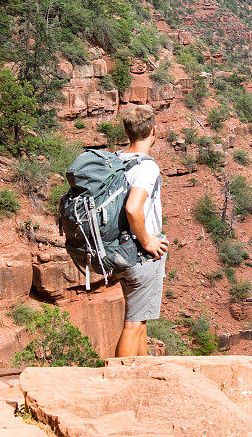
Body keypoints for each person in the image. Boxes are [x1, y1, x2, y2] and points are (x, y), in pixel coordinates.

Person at [114, 104, 169, 357]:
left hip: (118, 249)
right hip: (139, 254)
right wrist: (147, 241)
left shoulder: (116, 159)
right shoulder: (147, 166)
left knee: (140, 320)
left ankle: (142, 372)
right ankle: (121, 383)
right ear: (153, 130)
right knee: (133, 323)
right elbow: (133, 208)